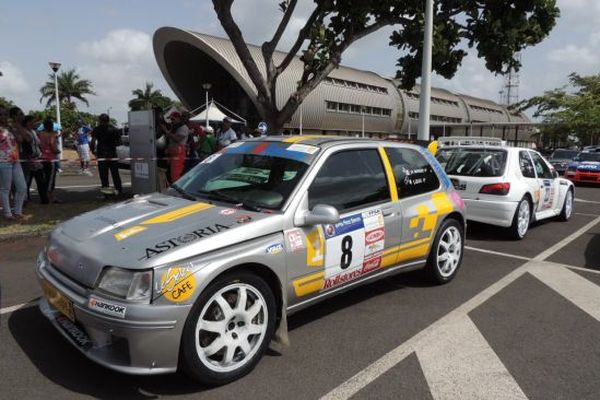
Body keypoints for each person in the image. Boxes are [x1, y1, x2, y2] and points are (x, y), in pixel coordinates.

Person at [0, 106, 30, 221]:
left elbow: (23, 139)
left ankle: (17, 211)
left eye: (5, 114)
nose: (4, 117)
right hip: (3, 161)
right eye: (1, 114)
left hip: (15, 160)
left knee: (22, 187)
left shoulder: (10, 128)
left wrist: (16, 126)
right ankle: (8, 214)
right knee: (5, 189)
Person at [91, 113, 122, 195]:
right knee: (115, 174)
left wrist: (93, 152)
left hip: (101, 154)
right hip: (112, 154)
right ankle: (119, 191)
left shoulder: (97, 129)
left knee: (104, 175)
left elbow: (93, 142)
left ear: (100, 120)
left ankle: (106, 194)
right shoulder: (114, 129)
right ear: (109, 120)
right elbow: (119, 142)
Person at [21, 116, 48, 204]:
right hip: (28, 159)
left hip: (37, 159)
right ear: (28, 122)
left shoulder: (34, 132)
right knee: (27, 181)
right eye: (33, 121)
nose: (34, 123)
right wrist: (29, 158)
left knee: (41, 181)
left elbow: (38, 144)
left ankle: (44, 199)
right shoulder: (24, 132)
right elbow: (25, 145)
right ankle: (26, 200)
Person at [39, 118, 61, 203]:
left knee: (45, 178)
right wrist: (57, 151)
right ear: (51, 126)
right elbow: (52, 145)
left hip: (42, 158)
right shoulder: (51, 134)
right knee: (51, 179)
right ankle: (50, 196)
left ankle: (47, 195)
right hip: (50, 158)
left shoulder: (40, 134)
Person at [166, 111, 189, 182]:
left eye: (173, 119)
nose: (171, 121)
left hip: (179, 153)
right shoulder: (174, 127)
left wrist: (167, 132)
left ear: (178, 118)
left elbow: (177, 139)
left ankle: (176, 190)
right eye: (171, 119)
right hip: (173, 152)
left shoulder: (183, 128)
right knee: (172, 173)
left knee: (175, 174)